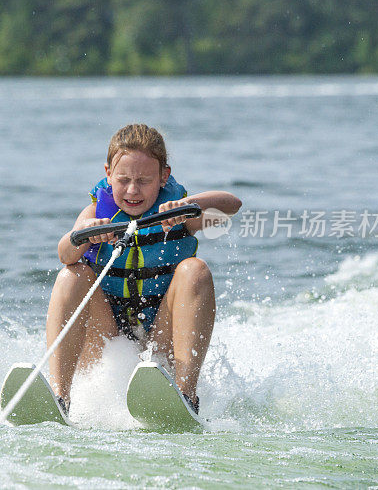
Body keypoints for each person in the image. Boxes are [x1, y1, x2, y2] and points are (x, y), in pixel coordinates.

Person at [46, 124, 241, 415]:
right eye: (123, 180)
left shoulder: (178, 214)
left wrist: (188, 206)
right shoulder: (96, 214)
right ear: (108, 174)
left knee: (195, 269)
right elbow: (64, 254)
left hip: (160, 339)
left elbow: (232, 205)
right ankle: (61, 397)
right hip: (106, 342)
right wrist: (84, 233)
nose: (133, 190)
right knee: (71, 273)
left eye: (144, 180)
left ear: (164, 176)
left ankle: (186, 397)